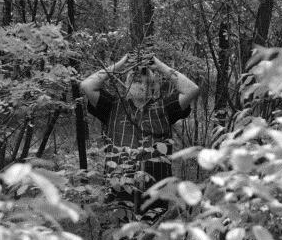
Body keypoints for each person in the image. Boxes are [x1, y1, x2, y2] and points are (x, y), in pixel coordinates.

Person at [80, 54, 199, 217]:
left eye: (145, 82)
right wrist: (120, 64)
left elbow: (192, 89)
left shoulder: (163, 108)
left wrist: (159, 65)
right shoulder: (114, 106)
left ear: (152, 88)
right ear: (127, 84)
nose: (141, 85)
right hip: (120, 190)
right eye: (135, 80)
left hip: (155, 193)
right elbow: (87, 85)